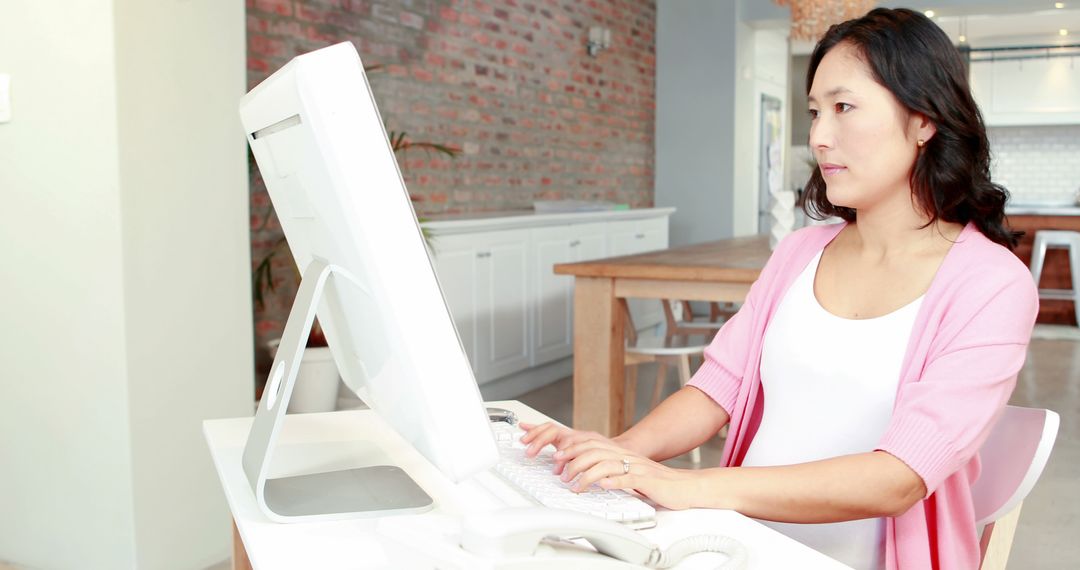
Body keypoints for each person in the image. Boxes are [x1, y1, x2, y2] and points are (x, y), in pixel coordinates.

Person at [519, 8, 1039, 570]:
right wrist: (619, 453)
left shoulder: (992, 285)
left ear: (924, 120)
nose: (818, 136)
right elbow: (717, 387)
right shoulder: (799, 253)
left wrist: (691, 486)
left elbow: (899, 478)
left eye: (844, 107)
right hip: (737, 542)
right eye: (814, 112)